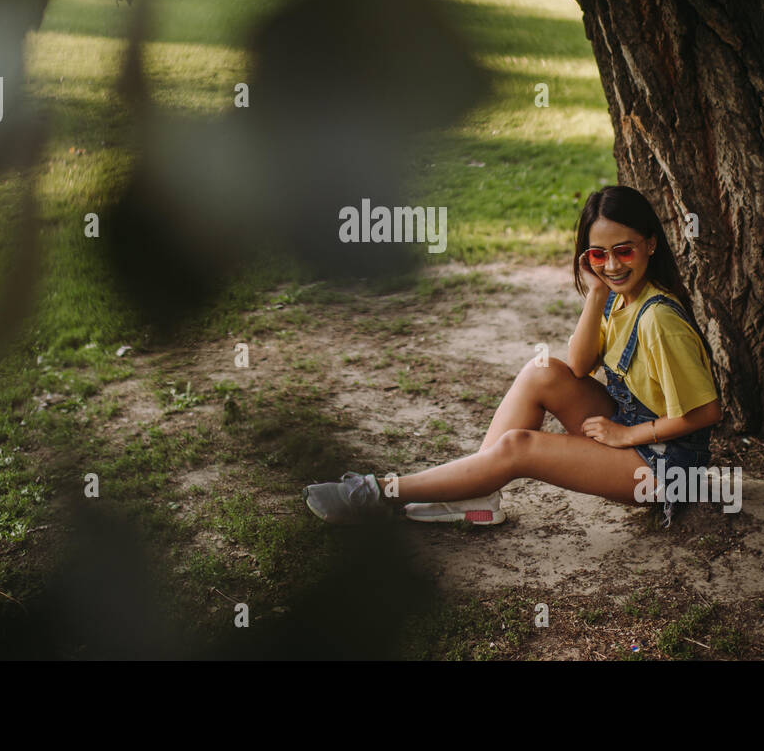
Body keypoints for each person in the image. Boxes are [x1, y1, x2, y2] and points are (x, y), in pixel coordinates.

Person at [303, 185, 722, 528]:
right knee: (542, 371)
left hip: (667, 468)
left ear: (651, 244)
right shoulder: (620, 297)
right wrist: (595, 293)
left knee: (519, 446)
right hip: (639, 434)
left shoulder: (658, 320)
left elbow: (707, 412)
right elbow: (577, 367)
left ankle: (379, 491)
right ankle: (476, 494)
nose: (611, 264)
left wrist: (626, 436)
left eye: (624, 251)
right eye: (598, 255)